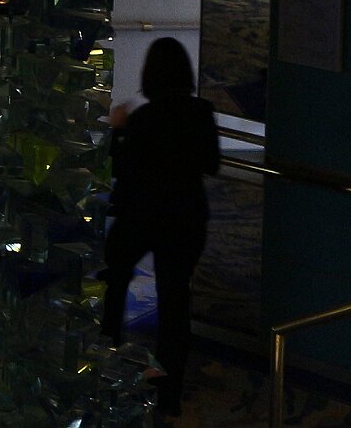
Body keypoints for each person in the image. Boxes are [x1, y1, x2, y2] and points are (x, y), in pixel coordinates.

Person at [103, 37, 221, 420]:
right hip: (186, 218)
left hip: (141, 216)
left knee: (113, 284)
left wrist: (118, 130)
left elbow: (121, 168)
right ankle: (169, 396)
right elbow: (212, 163)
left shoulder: (142, 119)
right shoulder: (201, 111)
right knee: (174, 304)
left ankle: (106, 364)